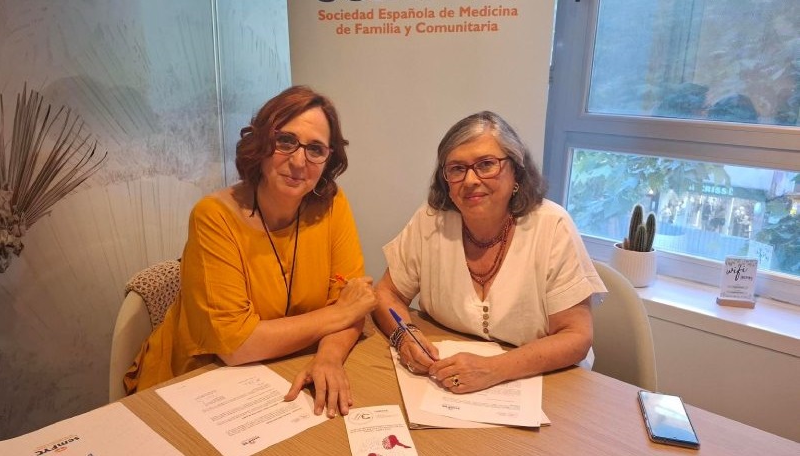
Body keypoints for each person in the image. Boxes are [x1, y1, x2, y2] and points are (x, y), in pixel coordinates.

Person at [124, 86, 377, 417]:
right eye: (285, 141)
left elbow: (354, 302)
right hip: (199, 381)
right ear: (261, 143)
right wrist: (339, 314)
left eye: (315, 149)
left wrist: (328, 358)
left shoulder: (331, 205)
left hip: (285, 367)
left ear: (329, 158)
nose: (298, 161)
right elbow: (236, 346)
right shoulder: (213, 216)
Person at [372, 111, 606, 394]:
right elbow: (386, 294)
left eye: (486, 164)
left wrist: (494, 369)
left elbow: (576, 336)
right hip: (446, 380)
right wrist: (404, 335)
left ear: (516, 171)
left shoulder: (553, 226)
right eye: (457, 169)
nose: (470, 180)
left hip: (546, 384)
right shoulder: (431, 220)